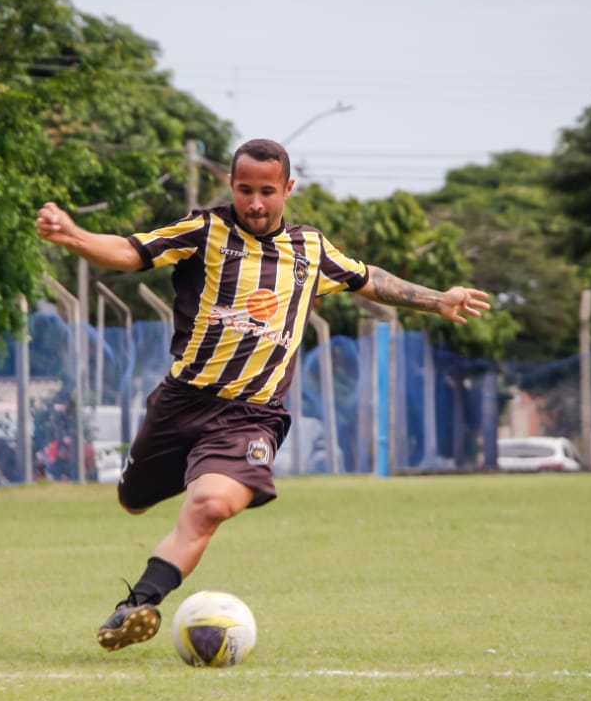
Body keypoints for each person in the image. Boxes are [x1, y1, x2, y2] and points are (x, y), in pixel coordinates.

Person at [36, 137, 491, 652]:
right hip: (181, 402)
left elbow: (370, 279)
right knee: (133, 501)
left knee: (208, 505)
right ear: (230, 185)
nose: (255, 203)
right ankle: (170, 490)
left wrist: (438, 300)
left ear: (288, 189)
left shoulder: (310, 250)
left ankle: (138, 604)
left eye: (268, 191)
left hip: (251, 416)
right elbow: (132, 251)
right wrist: (74, 236)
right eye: (245, 189)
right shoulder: (204, 230)